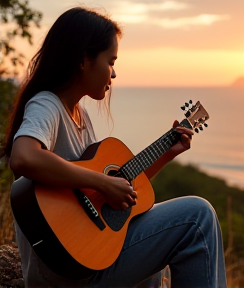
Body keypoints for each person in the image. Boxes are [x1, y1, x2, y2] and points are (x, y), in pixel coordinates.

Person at [2, 6, 227, 288]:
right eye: (111, 61)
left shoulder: (80, 117)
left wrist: (166, 154)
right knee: (198, 216)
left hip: (87, 260)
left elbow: (114, 193)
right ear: (83, 59)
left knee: (151, 252)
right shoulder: (47, 105)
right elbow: (23, 157)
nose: (115, 73)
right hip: (66, 272)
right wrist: (103, 182)